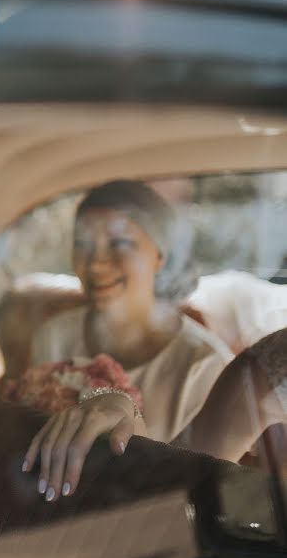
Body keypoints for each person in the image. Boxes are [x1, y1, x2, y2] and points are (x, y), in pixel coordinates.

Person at [20, 180, 286, 502]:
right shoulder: (53, 335)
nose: (95, 264)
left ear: (160, 255)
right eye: (83, 245)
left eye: (119, 244)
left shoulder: (204, 365)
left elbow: (203, 488)